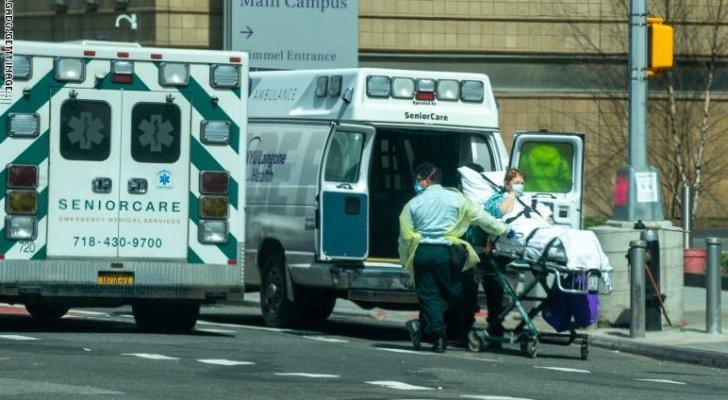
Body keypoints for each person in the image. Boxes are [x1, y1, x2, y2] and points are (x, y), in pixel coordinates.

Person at [398, 162, 511, 353]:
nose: (417, 184)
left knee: (429, 296)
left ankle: (438, 338)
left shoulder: (413, 203)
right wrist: (504, 229)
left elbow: (405, 235)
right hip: (447, 253)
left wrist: (405, 259)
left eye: (419, 180)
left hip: (422, 253)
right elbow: (482, 218)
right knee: (454, 292)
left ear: (427, 180)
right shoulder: (457, 199)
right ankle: (450, 329)